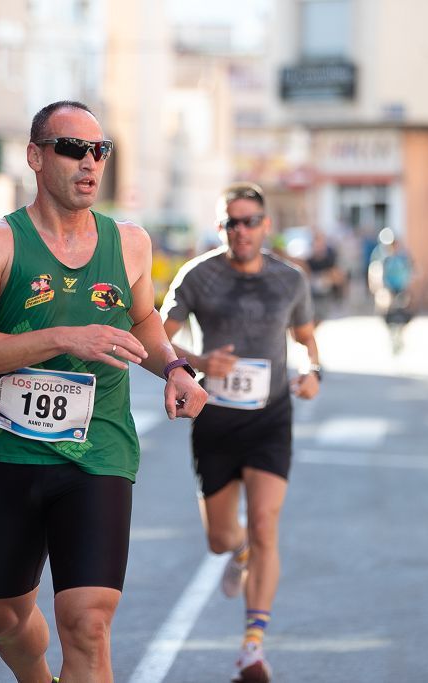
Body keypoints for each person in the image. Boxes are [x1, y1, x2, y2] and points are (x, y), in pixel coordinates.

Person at [0, 100, 208, 683]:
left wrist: (176, 367)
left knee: (87, 621)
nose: (89, 163)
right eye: (71, 149)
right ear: (36, 156)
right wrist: (61, 337)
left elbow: (142, 321)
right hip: (14, 453)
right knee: (1, 615)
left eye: (99, 151)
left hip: (100, 451)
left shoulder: (129, 243)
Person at [161, 182, 321, 683]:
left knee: (266, 525)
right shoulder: (197, 276)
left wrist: (314, 372)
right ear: (221, 227)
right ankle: (239, 551)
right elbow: (158, 340)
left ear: (265, 226)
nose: (242, 231)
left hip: (270, 415)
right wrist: (201, 362)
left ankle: (253, 647)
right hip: (217, 419)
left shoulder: (289, 280)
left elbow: (308, 341)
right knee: (219, 538)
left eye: (251, 221)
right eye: (232, 222)